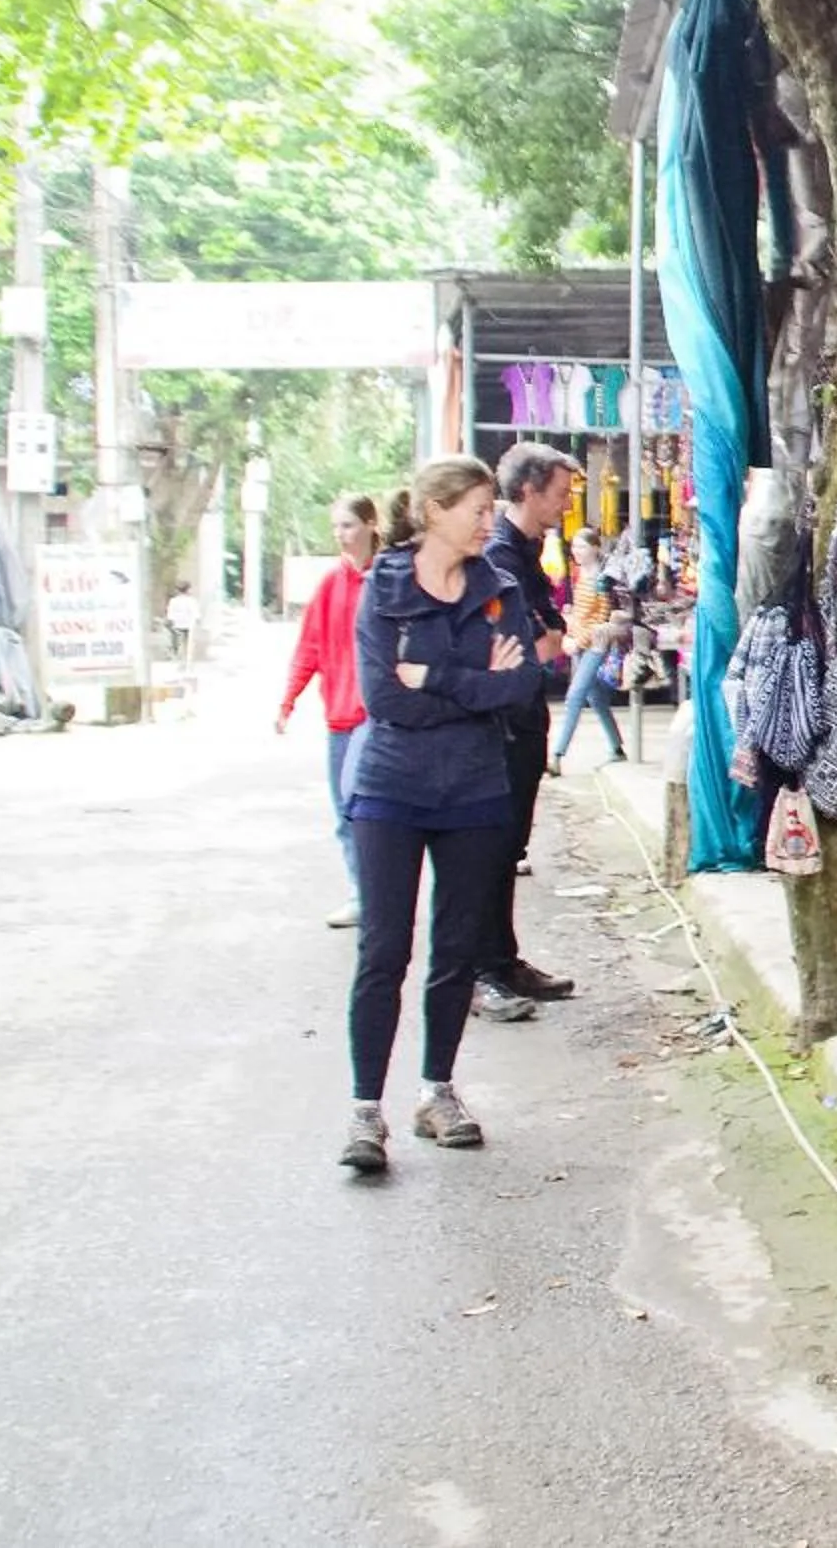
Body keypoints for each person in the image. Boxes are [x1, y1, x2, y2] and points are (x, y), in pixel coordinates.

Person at [338, 456, 544, 1172]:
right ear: (432, 511)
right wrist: (477, 683)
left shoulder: (500, 589)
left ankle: (438, 1090)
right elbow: (384, 699)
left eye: (493, 510)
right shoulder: (384, 590)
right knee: (384, 949)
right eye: (478, 510)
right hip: (390, 788)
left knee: (455, 951)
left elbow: (521, 690)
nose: (490, 522)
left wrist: (439, 677)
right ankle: (366, 1111)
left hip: (476, 789)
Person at [477, 440, 583, 1017]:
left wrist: (548, 632)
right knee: (490, 851)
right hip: (503, 725)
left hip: (524, 719)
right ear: (528, 490)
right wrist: (546, 634)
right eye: (561, 494)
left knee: (509, 847)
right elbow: (534, 644)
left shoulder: (525, 552)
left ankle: (502, 957)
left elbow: (553, 631)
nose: (566, 505)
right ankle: (481, 968)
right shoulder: (499, 557)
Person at [280, 494, 380, 929]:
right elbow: (311, 647)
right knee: (345, 813)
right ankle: (364, 894)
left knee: (376, 813)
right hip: (340, 714)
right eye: (336, 527)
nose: (340, 535)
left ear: (371, 524)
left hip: (379, 715)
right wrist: (289, 699)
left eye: (348, 525)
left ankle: (380, 895)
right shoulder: (330, 585)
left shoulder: (389, 578)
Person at [550, 529, 630, 774]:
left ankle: (557, 754)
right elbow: (581, 612)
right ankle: (616, 748)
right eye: (574, 547)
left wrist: (578, 639)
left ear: (596, 548)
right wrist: (570, 631)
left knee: (575, 696)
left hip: (596, 644)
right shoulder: (579, 574)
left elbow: (602, 617)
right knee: (595, 698)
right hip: (579, 643)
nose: (576, 552)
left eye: (582, 547)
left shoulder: (602, 578)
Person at [166, 582, 201, 667]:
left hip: (177, 624)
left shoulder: (173, 601)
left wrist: (171, 621)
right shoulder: (191, 601)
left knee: (179, 643)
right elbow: (196, 613)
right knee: (189, 644)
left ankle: (180, 661)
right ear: (188, 590)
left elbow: (170, 613)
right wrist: (197, 620)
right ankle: (188, 662)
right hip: (189, 624)